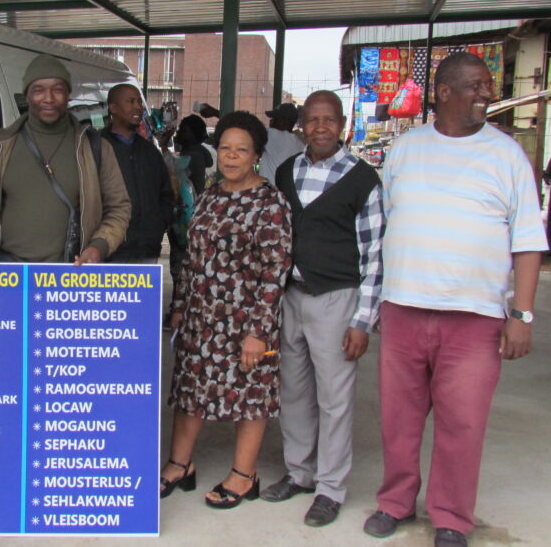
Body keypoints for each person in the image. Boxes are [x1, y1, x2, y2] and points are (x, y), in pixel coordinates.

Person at [364, 52, 547, 547]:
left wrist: (521, 313)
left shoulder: (506, 154)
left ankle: (450, 516)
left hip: (475, 316)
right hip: (403, 308)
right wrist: (376, 300)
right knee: (398, 419)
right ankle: (395, 502)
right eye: (476, 86)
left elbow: (527, 239)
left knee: (462, 422)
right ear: (444, 93)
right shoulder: (405, 149)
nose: (487, 93)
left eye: (488, 86)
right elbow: (381, 229)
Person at [263, 91, 385, 528]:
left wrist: (362, 321)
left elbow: (374, 255)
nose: (319, 128)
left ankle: (330, 488)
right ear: (301, 126)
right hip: (291, 297)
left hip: (337, 300)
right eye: (312, 120)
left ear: (342, 123)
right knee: (293, 391)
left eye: (328, 120)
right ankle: (300, 472)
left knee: (334, 398)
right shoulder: (286, 171)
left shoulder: (362, 179)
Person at [163, 111, 292, 509]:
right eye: (225, 149)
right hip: (202, 318)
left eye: (241, 150)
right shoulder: (211, 195)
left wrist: (258, 331)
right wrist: (180, 307)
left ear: (256, 156)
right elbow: (191, 257)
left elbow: (275, 272)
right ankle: (179, 465)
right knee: (190, 390)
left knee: (249, 397)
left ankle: (244, 475)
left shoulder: (270, 202)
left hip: (247, 321)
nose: (231, 157)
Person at [0, 53, 129, 265]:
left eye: (57, 90)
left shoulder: (95, 147)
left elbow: (119, 207)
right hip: (10, 273)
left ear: (68, 95)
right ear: (26, 95)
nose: (48, 98)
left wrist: (98, 246)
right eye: (38, 90)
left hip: (70, 274)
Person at [102, 83, 174, 263]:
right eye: (131, 102)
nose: (138, 107)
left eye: (139, 102)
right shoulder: (96, 147)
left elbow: (166, 194)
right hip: (108, 251)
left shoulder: (149, 151)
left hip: (146, 250)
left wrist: (158, 225)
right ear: (113, 108)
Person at [258, 102, 305, 183]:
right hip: (287, 191)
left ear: (284, 122)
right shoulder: (299, 143)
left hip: (270, 191)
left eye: (274, 119)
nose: (270, 121)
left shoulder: (272, 136)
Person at [174, 114, 213, 195]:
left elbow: (173, 175)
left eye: (183, 130)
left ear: (193, 135)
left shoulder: (193, 156)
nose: (179, 132)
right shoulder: (196, 152)